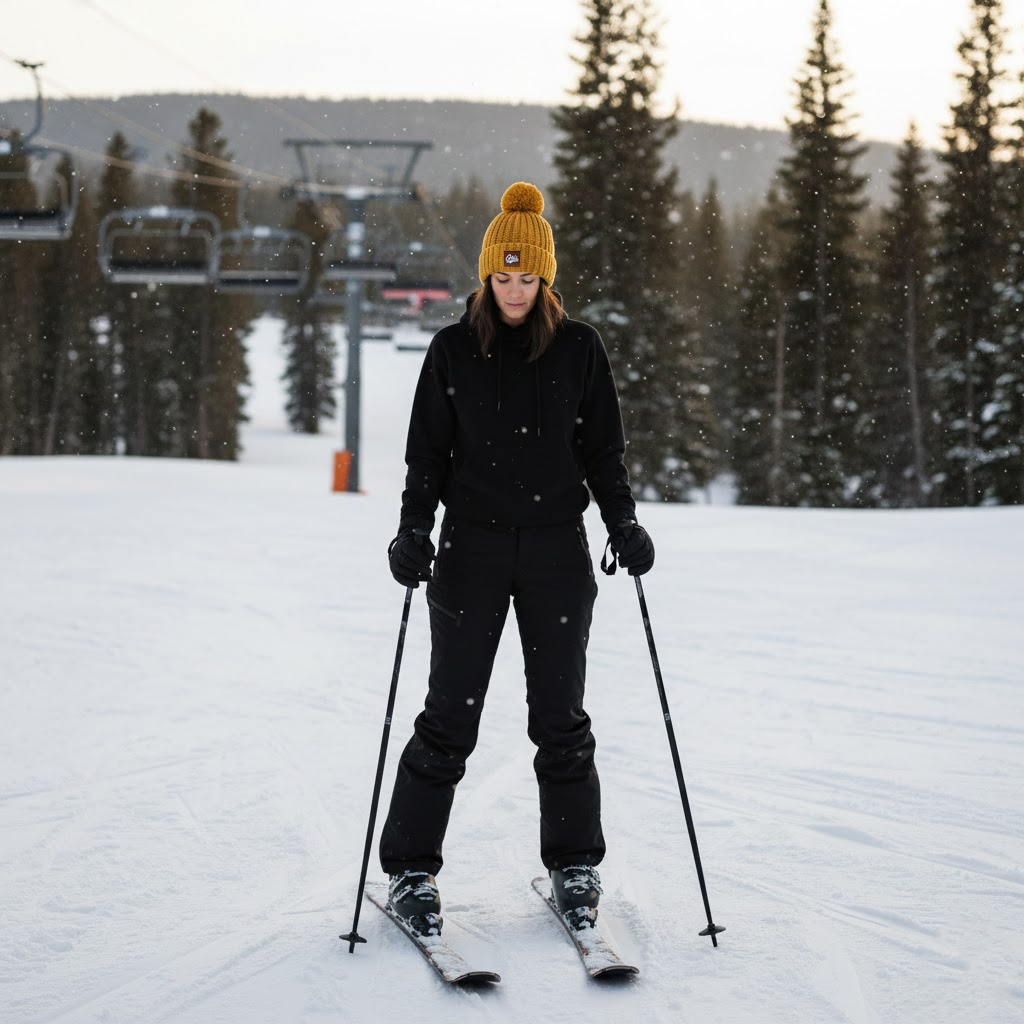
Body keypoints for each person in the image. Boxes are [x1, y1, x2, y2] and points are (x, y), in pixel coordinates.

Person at [379, 181, 655, 935]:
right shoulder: (452, 350)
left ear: (546, 277)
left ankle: (574, 865)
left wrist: (623, 522)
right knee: (449, 718)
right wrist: (413, 531)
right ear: (484, 275)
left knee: (561, 719)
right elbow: (425, 458)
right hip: (469, 552)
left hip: (557, 555)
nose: (513, 291)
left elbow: (604, 451)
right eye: (502, 278)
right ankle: (410, 870)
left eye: (526, 278)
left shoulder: (579, 349)